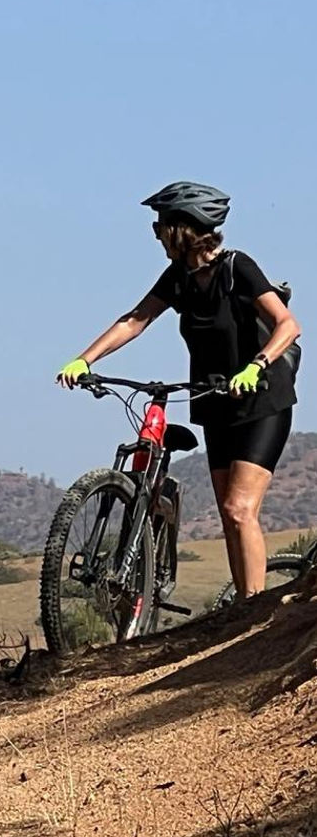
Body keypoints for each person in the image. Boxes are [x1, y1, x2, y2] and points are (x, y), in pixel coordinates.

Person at [58, 182, 300, 599]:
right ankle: (243, 609)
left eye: (160, 226)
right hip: (216, 404)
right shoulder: (179, 278)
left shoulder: (237, 267)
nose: (156, 234)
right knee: (229, 516)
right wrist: (85, 360)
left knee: (240, 509)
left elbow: (288, 325)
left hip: (263, 400)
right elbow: (136, 319)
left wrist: (256, 365)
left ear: (184, 229)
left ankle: (255, 610)